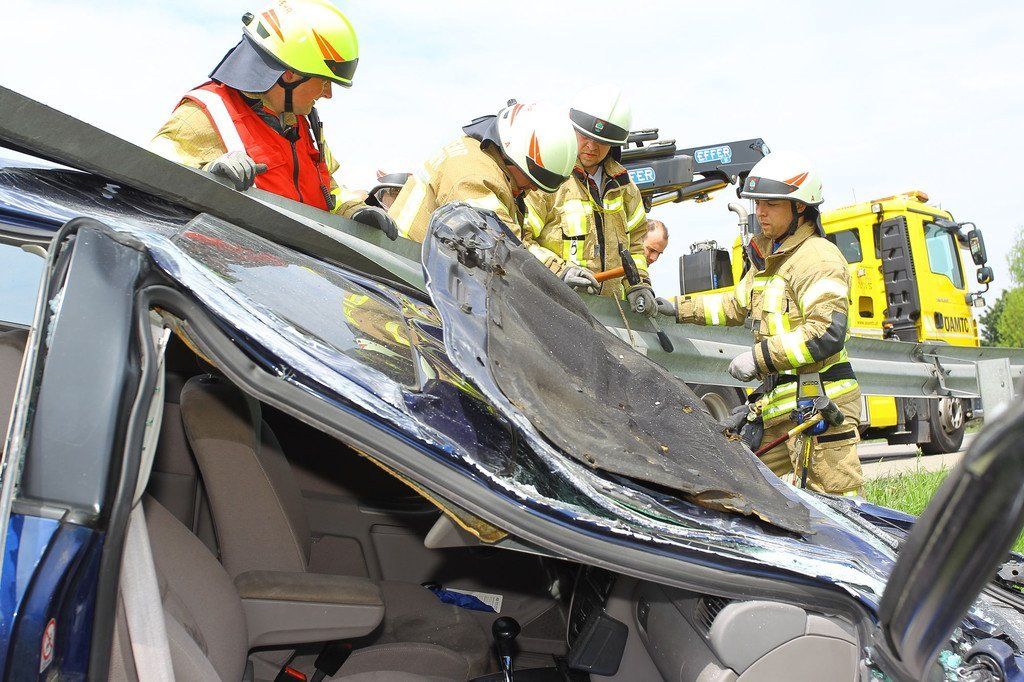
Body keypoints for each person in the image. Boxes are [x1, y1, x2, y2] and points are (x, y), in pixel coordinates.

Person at [658, 152, 863, 495]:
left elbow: (826, 333)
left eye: (771, 204)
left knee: (836, 508)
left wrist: (758, 358)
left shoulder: (817, 258)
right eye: (757, 203)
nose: (760, 212)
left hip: (820, 404)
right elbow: (734, 305)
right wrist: (674, 308)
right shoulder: (770, 259)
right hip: (778, 404)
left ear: (800, 207)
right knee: (739, 490)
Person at [150, 0, 397, 238]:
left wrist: (353, 212)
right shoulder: (204, 113)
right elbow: (148, 183)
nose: (328, 94)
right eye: (324, 82)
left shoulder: (304, 126)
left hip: (296, 262)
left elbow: (328, 190)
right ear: (290, 74)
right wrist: (209, 176)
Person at [521, 85, 654, 315]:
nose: (591, 146)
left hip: (610, 316)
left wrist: (638, 283)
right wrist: (559, 271)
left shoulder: (625, 188)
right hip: (555, 309)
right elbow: (520, 239)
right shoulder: (548, 178)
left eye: (600, 141)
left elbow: (636, 246)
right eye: (585, 136)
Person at [388, 101, 578, 242]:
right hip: (404, 269)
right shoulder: (474, 176)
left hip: (416, 266)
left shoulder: (486, 160)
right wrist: (558, 272)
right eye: (532, 180)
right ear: (513, 157)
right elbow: (501, 244)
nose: (534, 189)